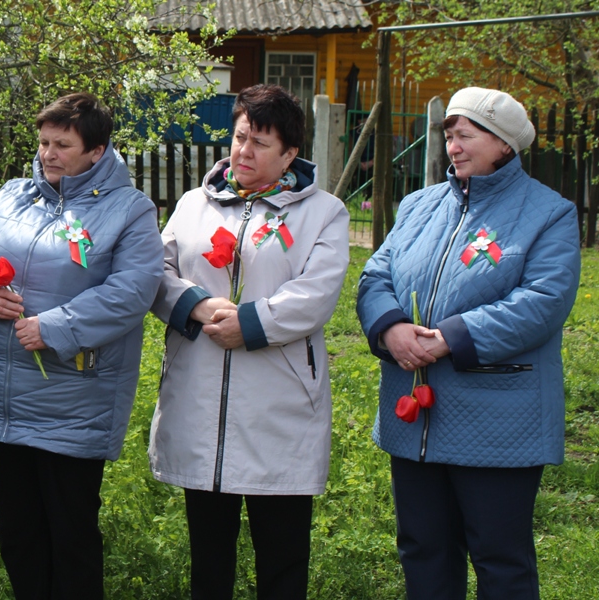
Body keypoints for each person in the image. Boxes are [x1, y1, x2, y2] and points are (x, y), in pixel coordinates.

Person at [356, 87, 581, 599]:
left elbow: (542, 302)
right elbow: (376, 276)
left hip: (499, 416)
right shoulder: (419, 206)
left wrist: (448, 339)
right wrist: (391, 327)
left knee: (500, 558)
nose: (453, 147)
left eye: (466, 136)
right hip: (415, 413)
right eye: (449, 136)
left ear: (503, 143)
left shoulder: (549, 213)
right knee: (422, 548)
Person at [0, 92, 163, 599]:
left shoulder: (129, 210)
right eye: (44, 142)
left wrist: (57, 327)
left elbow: (133, 290)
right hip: (3, 395)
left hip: (73, 398)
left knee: (71, 537)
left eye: (62, 145)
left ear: (97, 151)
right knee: (19, 535)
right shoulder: (12, 196)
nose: (48, 154)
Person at [148, 84, 350, 599]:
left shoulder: (322, 212)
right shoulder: (194, 204)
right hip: (200, 397)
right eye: (240, 137)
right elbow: (157, 273)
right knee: (209, 558)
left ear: (290, 154)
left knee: (282, 558)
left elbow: (316, 294)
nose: (244, 151)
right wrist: (196, 304)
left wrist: (252, 323)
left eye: (261, 143)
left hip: (278, 405)